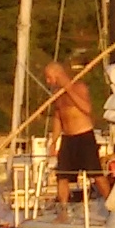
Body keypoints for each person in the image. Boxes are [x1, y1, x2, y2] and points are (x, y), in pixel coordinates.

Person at [42, 60, 100, 190]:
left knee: (96, 174)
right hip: (67, 138)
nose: (48, 81)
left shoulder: (79, 87)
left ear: (57, 75)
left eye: (49, 77)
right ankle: (63, 208)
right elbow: (58, 118)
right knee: (62, 176)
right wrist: (54, 141)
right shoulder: (57, 94)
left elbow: (87, 109)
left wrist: (69, 90)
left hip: (84, 135)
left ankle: (110, 203)